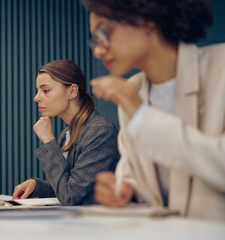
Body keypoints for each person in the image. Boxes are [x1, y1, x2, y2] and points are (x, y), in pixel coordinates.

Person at [82, 0, 225, 220]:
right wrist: (125, 191)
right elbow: (136, 175)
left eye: (105, 31)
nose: (99, 51)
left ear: (145, 19)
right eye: (95, 40)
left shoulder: (221, 67)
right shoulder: (134, 90)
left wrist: (142, 117)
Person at [12, 60, 120, 206]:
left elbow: (70, 196)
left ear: (72, 91)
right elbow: (67, 185)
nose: (36, 97)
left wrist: (49, 141)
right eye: (38, 90)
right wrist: (37, 185)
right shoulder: (67, 134)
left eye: (45, 90)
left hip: (101, 225)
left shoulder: (101, 132)